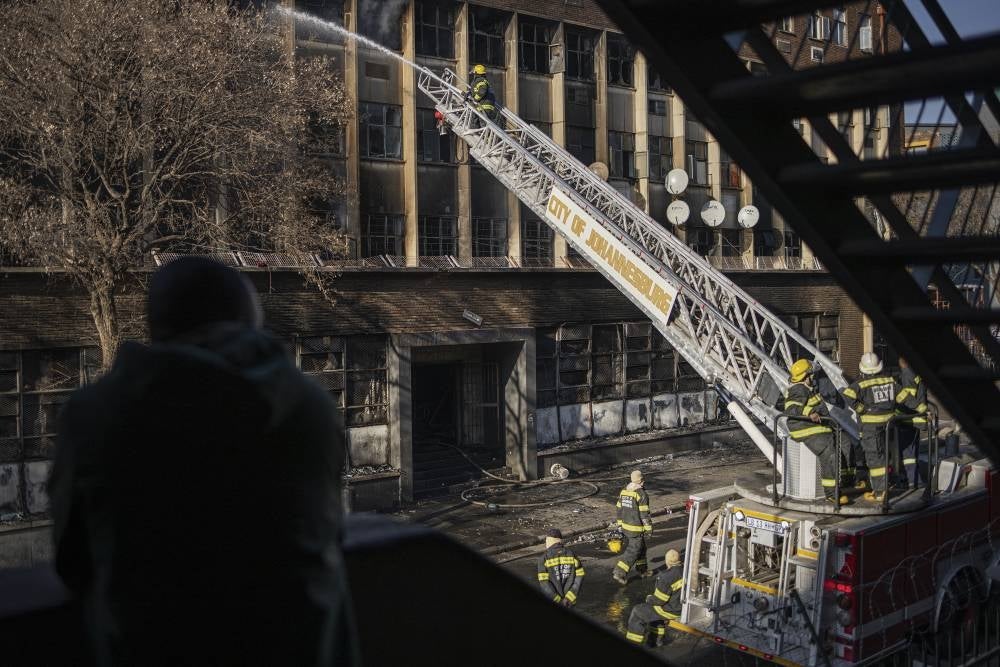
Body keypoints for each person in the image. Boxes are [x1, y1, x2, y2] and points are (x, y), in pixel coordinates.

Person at [48, 257, 358, 667]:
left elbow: (73, 561)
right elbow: (326, 535)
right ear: (248, 322)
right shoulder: (309, 407)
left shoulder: (93, 415)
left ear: (158, 327)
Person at [783, 359, 849, 505]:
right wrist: (810, 412)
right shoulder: (799, 389)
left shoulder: (808, 389)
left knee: (844, 441)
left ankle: (846, 482)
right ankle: (832, 494)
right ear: (805, 376)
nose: (813, 377)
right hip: (804, 429)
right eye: (811, 374)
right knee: (829, 452)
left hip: (816, 428)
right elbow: (791, 409)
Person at [842, 352, 903, 502]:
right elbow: (902, 397)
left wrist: (861, 408)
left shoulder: (861, 384)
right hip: (888, 425)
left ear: (863, 369)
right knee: (883, 456)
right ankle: (885, 486)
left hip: (871, 427)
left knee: (874, 460)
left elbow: (847, 394)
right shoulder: (890, 381)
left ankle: (880, 493)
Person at [624, 550, 684, 647]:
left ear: (667, 561)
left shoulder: (666, 577)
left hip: (672, 609)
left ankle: (633, 642)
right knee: (653, 613)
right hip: (682, 607)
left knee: (638, 611)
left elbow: (659, 601)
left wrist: (649, 599)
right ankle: (656, 640)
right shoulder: (685, 570)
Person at [894, 357, 929, 488]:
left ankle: (913, 481)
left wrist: (894, 412)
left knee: (907, 453)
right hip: (916, 419)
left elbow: (907, 401)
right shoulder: (915, 373)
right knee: (913, 452)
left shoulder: (907, 375)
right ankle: (913, 480)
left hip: (908, 420)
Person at [613, 469, 652, 584]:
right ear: (640, 481)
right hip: (636, 528)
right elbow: (644, 514)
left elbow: (619, 508)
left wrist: (620, 525)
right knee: (633, 551)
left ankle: (642, 570)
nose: (643, 482)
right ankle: (619, 572)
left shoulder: (624, 491)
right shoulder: (641, 494)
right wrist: (649, 529)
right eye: (642, 480)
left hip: (625, 527)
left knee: (642, 548)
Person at [536, 528, 585, 607]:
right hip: (569, 603)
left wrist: (557, 599)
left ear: (548, 541)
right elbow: (580, 575)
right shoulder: (571, 555)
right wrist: (569, 597)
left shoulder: (544, 559)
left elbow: (544, 583)